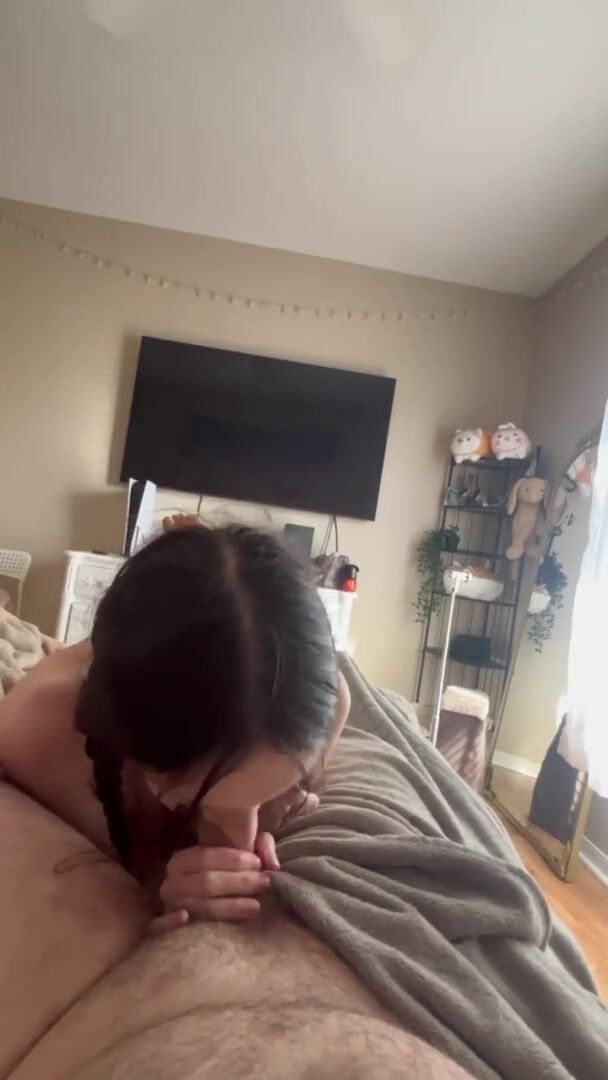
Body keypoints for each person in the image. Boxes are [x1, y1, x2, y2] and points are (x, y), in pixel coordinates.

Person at [0, 525, 349, 932]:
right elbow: (118, 884)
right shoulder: (38, 733)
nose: (244, 841)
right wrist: (157, 893)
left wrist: (281, 807)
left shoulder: (330, 701)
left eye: (274, 790)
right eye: (192, 803)